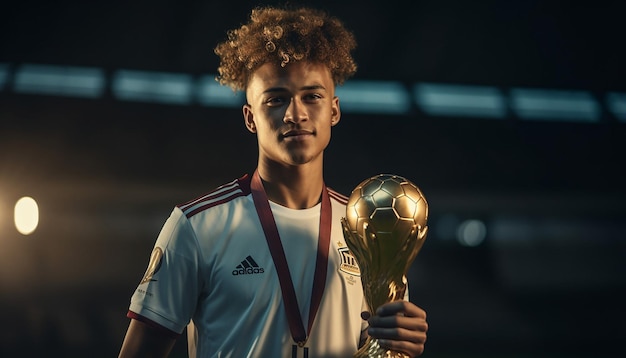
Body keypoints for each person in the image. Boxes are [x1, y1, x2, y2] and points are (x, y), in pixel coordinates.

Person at [118, 5, 428, 358]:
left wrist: (401, 345)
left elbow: (380, 350)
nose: (296, 114)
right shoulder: (197, 226)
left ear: (334, 110)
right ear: (251, 118)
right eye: (276, 100)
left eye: (312, 96)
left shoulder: (364, 225)